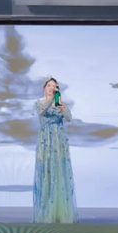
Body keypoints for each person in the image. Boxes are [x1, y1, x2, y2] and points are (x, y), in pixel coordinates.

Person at [33, 77, 78, 223]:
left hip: (58, 141)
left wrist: (63, 108)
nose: (52, 88)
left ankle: (59, 213)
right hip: (45, 141)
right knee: (46, 172)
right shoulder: (39, 103)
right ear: (44, 87)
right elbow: (42, 112)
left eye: (55, 86)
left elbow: (69, 118)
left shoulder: (60, 103)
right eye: (49, 86)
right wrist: (52, 101)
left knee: (58, 173)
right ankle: (46, 212)